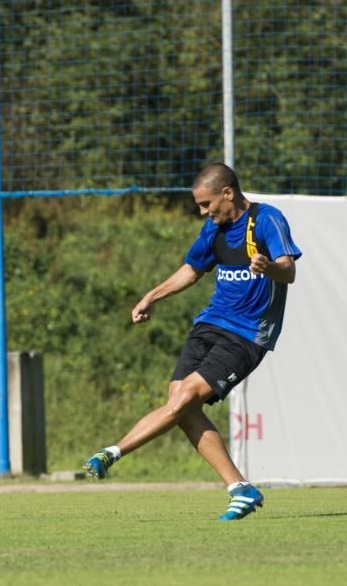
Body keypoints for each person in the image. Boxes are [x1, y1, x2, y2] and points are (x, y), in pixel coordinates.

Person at [83, 163, 302, 521]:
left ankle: (112, 452)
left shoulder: (266, 220)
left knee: (184, 398)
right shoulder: (213, 228)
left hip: (246, 335)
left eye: (206, 204)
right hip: (208, 324)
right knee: (179, 403)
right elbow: (192, 270)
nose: (203, 212)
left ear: (227, 193)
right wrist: (152, 296)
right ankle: (240, 488)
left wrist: (269, 268)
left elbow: (288, 270)